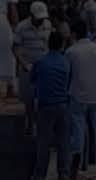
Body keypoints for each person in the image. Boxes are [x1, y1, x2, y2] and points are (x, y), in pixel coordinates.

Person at [31, 32, 71, 180]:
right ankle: (64, 174)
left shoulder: (41, 61)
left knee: (43, 143)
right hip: (62, 105)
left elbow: (33, 79)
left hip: (45, 106)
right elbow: (70, 80)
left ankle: (40, 175)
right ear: (61, 45)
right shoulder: (66, 61)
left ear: (48, 43)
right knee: (63, 142)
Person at [14, 1, 52, 134]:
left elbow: (49, 45)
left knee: (43, 98)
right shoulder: (22, 27)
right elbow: (16, 48)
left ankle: (42, 125)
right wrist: (24, 64)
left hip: (44, 68)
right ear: (32, 15)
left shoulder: (48, 25)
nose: (41, 21)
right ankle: (30, 123)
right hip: (27, 67)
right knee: (28, 99)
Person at [65, 20, 96, 180]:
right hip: (94, 96)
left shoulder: (71, 51)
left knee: (78, 131)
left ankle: (78, 162)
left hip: (77, 96)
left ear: (75, 33)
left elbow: (67, 75)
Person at [0, 0, 18, 98]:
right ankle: (10, 87)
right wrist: (15, 27)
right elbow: (12, 10)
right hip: (1, 21)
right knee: (8, 54)